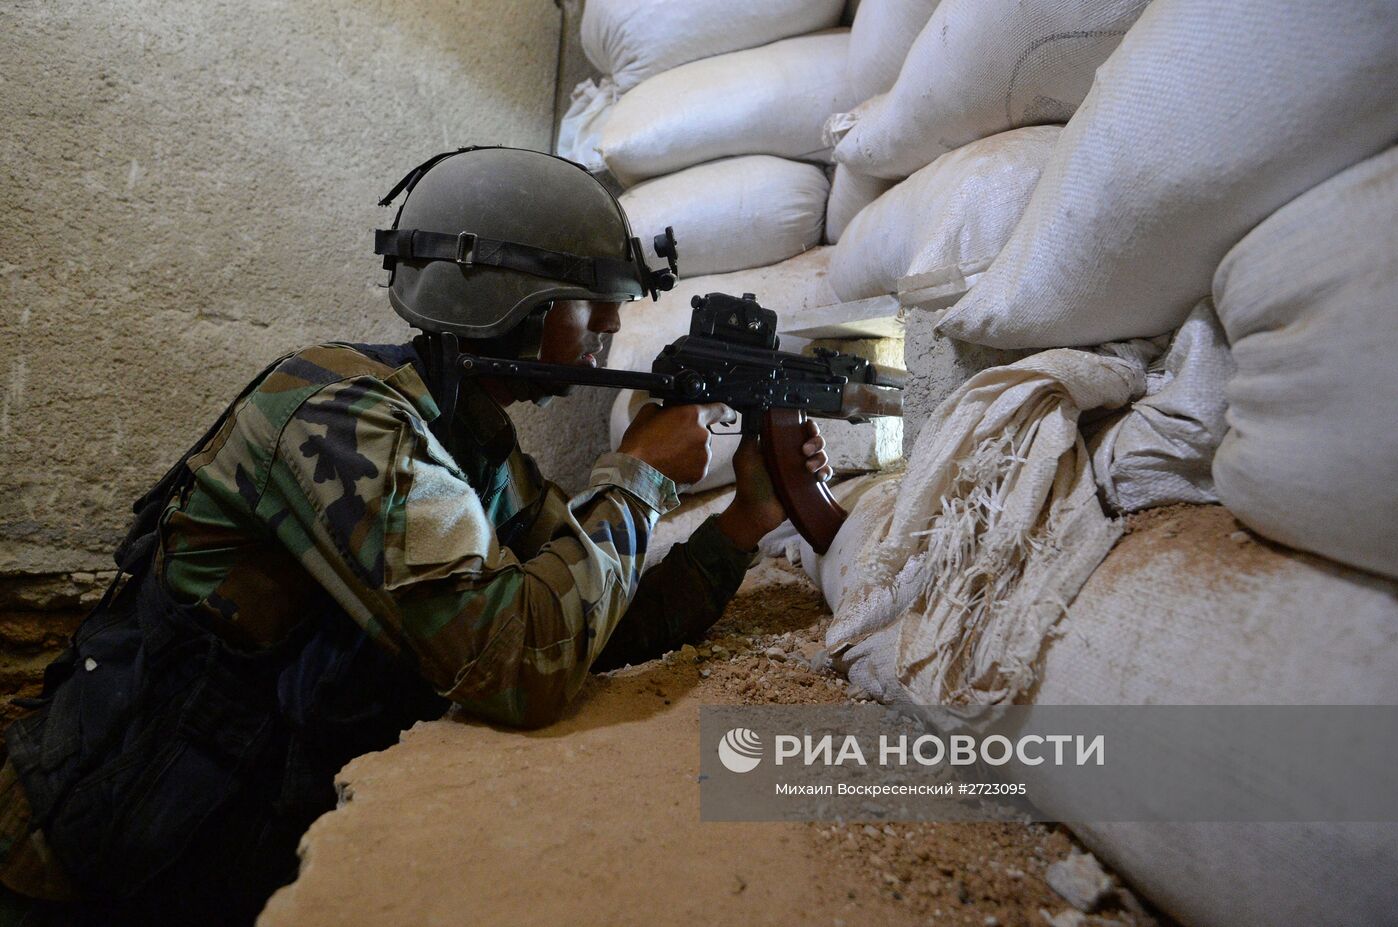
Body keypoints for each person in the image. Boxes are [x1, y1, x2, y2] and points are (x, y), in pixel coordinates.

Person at [0, 147, 831, 925]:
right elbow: (516, 665)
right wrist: (640, 478)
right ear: (512, 302)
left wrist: (740, 523)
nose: (612, 321)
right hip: (93, 863)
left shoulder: (465, 437)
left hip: (215, 841)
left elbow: (579, 627)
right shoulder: (340, 420)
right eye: (592, 299)